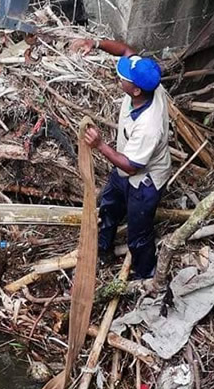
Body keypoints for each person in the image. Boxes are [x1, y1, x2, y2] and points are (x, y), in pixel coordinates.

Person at [72, 38, 170, 280]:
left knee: (139, 235)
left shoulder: (149, 125)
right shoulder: (148, 85)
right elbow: (127, 50)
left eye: (124, 78)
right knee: (108, 208)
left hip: (144, 179)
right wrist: (94, 43)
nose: (120, 77)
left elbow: (131, 166)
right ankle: (102, 249)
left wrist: (99, 145)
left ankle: (145, 276)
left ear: (135, 90)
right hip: (126, 167)